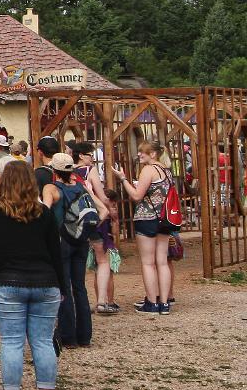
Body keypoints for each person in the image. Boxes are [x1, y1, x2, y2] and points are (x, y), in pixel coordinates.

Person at [0, 161, 64, 390]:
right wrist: (60, 283)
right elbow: (55, 253)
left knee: (12, 342)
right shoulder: (44, 213)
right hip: (45, 280)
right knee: (42, 341)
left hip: (8, 281)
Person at [112, 141, 175, 315]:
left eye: (143, 152)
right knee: (162, 262)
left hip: (146, 218)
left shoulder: (148, 170)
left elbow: (137, 195)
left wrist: (123, 179)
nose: (139, 154)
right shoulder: (167, 171)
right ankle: (164, 303)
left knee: (148, 263)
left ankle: (152, 303)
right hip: (164, 220)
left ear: (153, 154)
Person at [41, 152, 92, 347]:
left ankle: (68, 335)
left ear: (54, 170)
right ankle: (85, 335)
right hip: (81, 240)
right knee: (80, 286)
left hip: (61, 241)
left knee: (64, 287)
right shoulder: (82, 187)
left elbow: (44, 213)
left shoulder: (52, 188)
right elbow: (101, 210)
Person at [67, 141, 118, 314]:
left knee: (75, 261)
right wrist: (109, 210)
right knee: (102, 260)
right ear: (81, 155)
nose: (92, 159)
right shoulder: (90, 171)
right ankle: (102, 301)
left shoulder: (67, 171)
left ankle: (75, 301)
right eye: (90, 155)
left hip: (73, 222)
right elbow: (102, 197)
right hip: (93, 218)